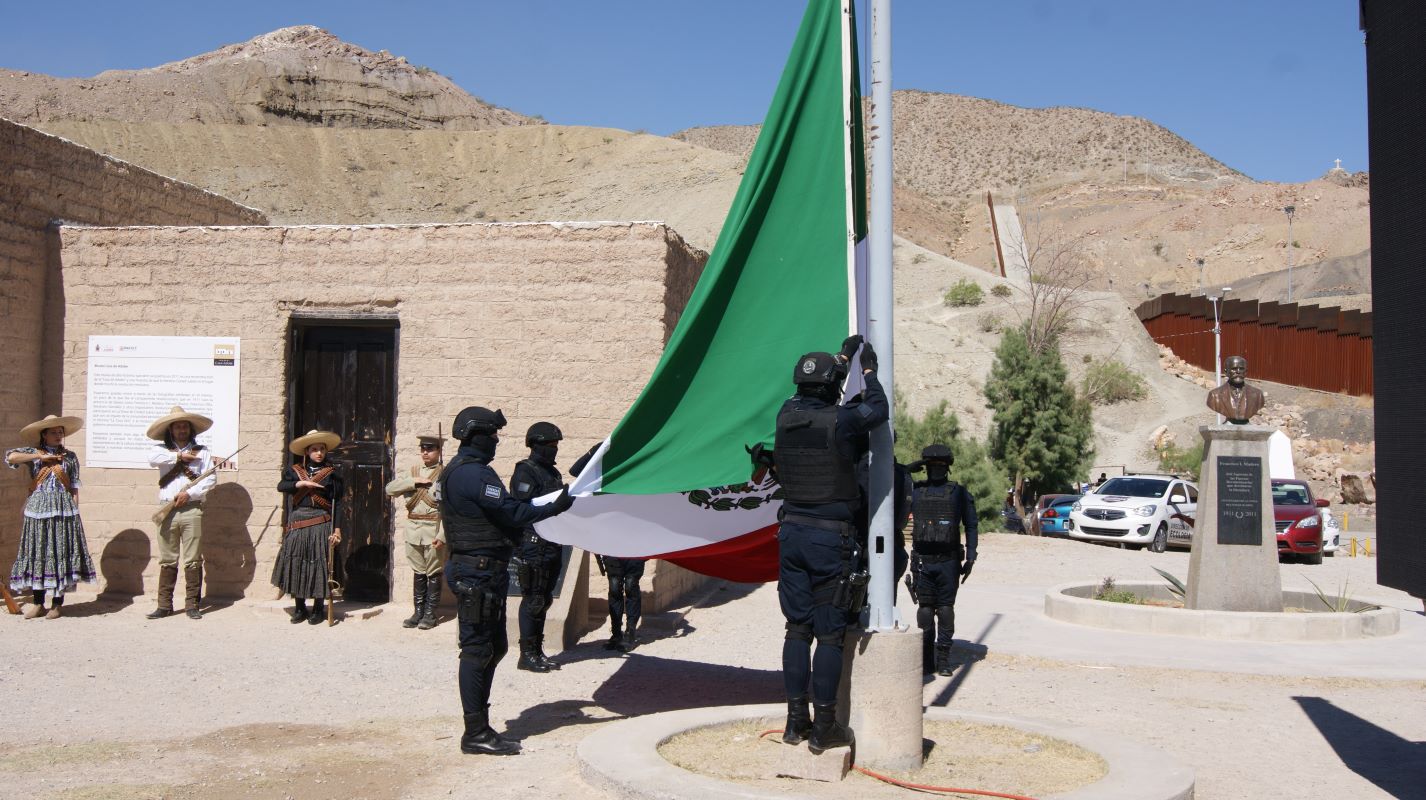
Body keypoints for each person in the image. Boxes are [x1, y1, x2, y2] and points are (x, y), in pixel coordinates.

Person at [438, 406, 574, 756]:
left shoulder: (466, 470)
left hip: (484, 571)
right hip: (476, 573)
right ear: (476, 436)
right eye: (492, 435)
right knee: (478, 650)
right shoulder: (472, 474)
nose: (496, 441)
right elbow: (514, 512)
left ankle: (480, 727)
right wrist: (558, 505)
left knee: (495, 647)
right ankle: (475, 732)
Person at [772, 334, 885, 754]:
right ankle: (824, 727)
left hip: (791, 535)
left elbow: (816, 386)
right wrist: (868, 370)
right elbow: (879, 409)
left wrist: (842, 356)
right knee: (830, 636)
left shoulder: (785, 414)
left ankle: (794, 722)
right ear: (833, 385)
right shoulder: (843, 420)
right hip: (828, 539)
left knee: (797, 629)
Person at [6, 415, 95, 619]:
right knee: (38, 551)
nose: (58, 435)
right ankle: (38, 603)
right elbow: (11, 457)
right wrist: (39, 457)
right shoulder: (34, 453)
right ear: (44, 434)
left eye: (60, 432)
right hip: (38, 509)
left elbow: (74, 487)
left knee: (59, 552)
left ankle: (57, 604)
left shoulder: (70, 457)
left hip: (63, 509)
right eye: (53, 432)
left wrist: (75, 511)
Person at [907, 443, 978, 677]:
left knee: (935, 609)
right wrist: (971, 557)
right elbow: (971, 526)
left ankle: (936, 660)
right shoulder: (951, 492)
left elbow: (971, 525)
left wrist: (971, 556)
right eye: (933, 465)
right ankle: (935, 661)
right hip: (933, 561)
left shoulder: (919, 490)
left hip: (938, 561)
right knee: (934, 609)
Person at [569, 442, 645, 654]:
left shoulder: (636, 468)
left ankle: (631, 631)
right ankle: (616, 633)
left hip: (635, 539)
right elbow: (575, 471)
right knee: (614, 587)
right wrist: (597, 450)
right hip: (611, 539)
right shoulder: (603, 474)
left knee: (631, 585)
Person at [145, 406, 216, 620]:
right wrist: (179, 457)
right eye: (177, 427)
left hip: (191, 508)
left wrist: (190, 494)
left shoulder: (202, 451)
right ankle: (164, 605)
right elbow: (152, 458)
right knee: (167, 558)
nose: (182, 430)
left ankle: (192, 605)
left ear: (190, 429)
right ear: (171, 430)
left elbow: (210, 479)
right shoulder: (161, 450)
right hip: (167, 507)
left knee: (193, 558)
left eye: (185, 426)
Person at [510, 421, 569, 671]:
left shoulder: (552, 473)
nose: (554, 449)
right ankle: (527, 655)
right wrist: (553, 507)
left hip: (552, 543)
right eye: (550, 445)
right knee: (533, 599)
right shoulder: (526, 472)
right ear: (535, 445)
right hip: (533, 545)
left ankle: (537, 650)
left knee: (544, 599)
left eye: (556, 445)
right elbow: (520, 509)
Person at [272, 430, 344, 625]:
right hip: (298, 523)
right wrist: (301, 483)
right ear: (307, 451)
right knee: (297, 563)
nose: (319, 453)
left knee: (320, 564)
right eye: (314, 449)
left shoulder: (332, 474)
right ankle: (300, 608)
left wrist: (337, 529)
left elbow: (338, 503)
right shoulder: (294, 471)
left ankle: (318, 609)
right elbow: (281, 486)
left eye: (322, 449)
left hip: (321, 522)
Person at [386, 433, 446, 630]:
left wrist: (442, 536)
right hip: (413, 530)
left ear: (439, 451)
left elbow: (449, 509)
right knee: (419, 572)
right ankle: (418, 612)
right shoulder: (412, 472)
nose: (425, 452)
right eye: (423, 449)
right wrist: (413, 482)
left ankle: (430, 614)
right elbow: (390, 489)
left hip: (433, 530)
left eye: (430, 449)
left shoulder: (444, 474)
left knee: (433, 572)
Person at [1206, 356, 1266, 423]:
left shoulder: (1258, 394)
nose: (1238, 372)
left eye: (1241, 369)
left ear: (1246, 372)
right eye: (1234, 369)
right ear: (1226, 372)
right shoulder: (1214, 395)